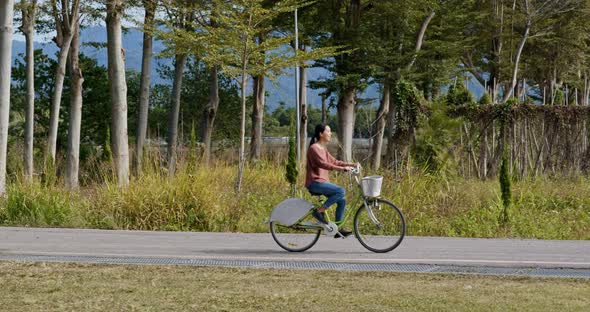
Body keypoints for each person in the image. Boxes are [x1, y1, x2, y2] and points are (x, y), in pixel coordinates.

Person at [305, 124, 358, 238]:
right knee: (340, 191)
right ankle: (319, 212)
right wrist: (342, 169)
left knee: (342, 199)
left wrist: (351, 164)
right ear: (321, 134)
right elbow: (323, 164)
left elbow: (334, 161)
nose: (330, 133)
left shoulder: (322, 149)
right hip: (315, 182)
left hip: (322, 182)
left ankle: (338, 229)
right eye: (328, 131)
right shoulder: (314, 148)